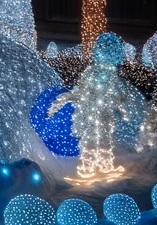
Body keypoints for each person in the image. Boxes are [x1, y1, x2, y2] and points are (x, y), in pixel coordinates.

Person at [50, 34, 142, 178]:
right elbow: (84, 91)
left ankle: (104, 165)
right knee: (91, 140)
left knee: (103, 139)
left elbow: (117, 93)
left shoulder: (107, 73)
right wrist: (66, 100)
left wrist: (122, 109)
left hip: (104, 113)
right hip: (92, 112)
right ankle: (88, 167)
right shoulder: (94, 72)